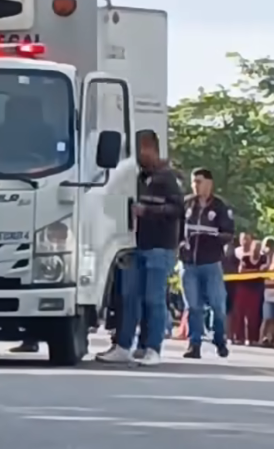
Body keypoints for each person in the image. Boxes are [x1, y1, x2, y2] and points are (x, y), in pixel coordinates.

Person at [97, 130, 183, 366]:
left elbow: (178, 210)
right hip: (133, 244)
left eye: (142, 148)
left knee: (153, 298)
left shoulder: (166, 178)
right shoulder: (137, 178)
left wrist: (148, 212)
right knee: (129, 297)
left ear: (152, 149)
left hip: (159, 245)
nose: (139, 155)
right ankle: (124, 345)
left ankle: (152, 348)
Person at [178, 168, 234, 359]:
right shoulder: (185, 204)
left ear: (209, 183)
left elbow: (228, 233)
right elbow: (176, 228)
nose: (195, 185)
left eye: (199, 181)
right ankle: (194, 344)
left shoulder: (220, 207)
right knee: (193, 306)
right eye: (194, 182)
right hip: (188, 264)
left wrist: (212, 238)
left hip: (211, 263)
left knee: (218, 305)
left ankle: (220, 339)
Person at [229, 240, 264, 345]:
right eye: (254, 248)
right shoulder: (245, 258)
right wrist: (256, 272)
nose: (256, 250)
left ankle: (252, 338)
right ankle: (239, 337)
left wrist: (252, 272)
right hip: (243, 288)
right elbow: (241, 271)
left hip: (256, 289)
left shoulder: (263, 259)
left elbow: (265, 271)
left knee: (253, 315)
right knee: (239, 313)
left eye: (258, 248)